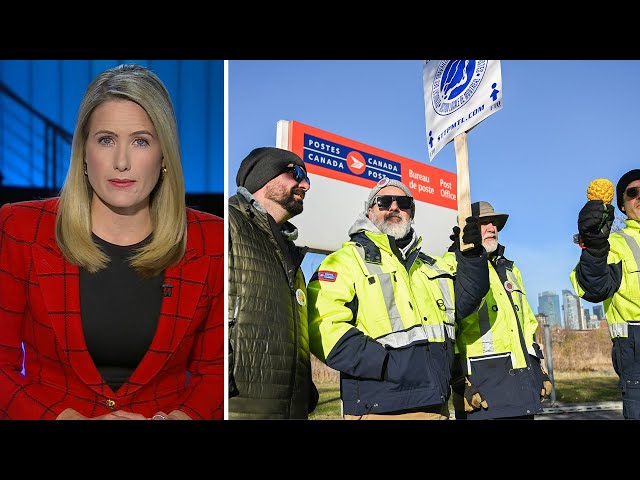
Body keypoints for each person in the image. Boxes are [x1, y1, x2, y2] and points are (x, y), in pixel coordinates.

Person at [0, 64, 224, 420]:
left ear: (164, 155)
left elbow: (217, 371)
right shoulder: (19, 228)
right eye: (106, 139)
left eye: (140, 141)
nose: (121, 162)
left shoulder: (212, 240)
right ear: (83, 154)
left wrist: (180, 418)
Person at [307, 177, 489, 419]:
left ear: (411, 213)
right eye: (383, 202)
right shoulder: (345, 260)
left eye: (402, 202)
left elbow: (465, 303)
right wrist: (387, 364)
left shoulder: (431, 265)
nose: (394, 207)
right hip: (379, 407)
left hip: (435, 405)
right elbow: (322, 326)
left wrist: (472, 257)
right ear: (369, 211)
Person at [228, 146, 318, 419]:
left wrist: (305, 390)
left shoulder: (292, 254)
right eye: (297, 173)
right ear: (264, 177)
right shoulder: (228, 223)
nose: (305, 185)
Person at [448, 201, 551, 420]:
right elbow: (448, 330)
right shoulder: (452, 266)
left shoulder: (511, 270)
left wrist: (539, 371)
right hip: (482, 395)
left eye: (494, 223)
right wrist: (459, 383)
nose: (492, 228)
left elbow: (527, 328)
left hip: (522, 393)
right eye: (483, 223)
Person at [570, 169, 640, 419]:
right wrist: (596, 247)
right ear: (622, 204)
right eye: (633, 193)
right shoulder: (616, 243)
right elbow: (594, 287)